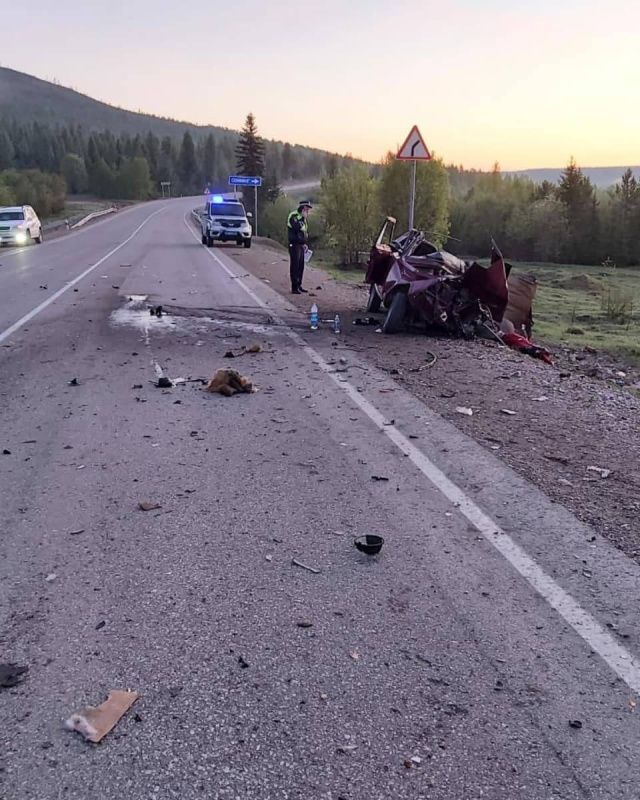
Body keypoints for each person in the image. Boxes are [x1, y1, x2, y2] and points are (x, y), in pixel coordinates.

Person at [287, 201, 312, 294]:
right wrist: (302, 218)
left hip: (301, 245)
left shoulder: (303, 219)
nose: (307, 212)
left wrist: (304, 243)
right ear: (302, 208)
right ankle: (294, 287)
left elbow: (304, 233)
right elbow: (296, 228)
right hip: (294, 244)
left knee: (301, 266)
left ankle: (299, 285)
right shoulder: (294, 216)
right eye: (306, 209)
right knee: (295, 266)